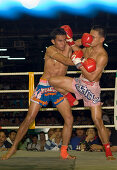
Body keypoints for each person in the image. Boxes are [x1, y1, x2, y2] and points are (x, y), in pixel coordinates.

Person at [1, 27, 77, 160]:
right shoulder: (50, 50)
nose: (63, 43)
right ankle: (13, 148)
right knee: (29, 118)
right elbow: (65, 61)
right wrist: (80, 60)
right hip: (44, 86)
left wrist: (78, 41)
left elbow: (83, 42)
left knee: (69, 119)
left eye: (65, 40)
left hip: (58, 88)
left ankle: (64, 152)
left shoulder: (69, 47)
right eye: (60, 41)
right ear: (53, 41)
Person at [48, 25, 116, 160]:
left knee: (97, 121)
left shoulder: (102, 56)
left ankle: (108, 151)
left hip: (91, 88)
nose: (90, 38)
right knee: (52, 81)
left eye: (93, 37)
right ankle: (71, 98)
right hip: (79, 83)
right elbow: (78, 51)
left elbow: (91, 77)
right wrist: (70, 40)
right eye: (89, 35)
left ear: (101, 39)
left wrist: (79, 64)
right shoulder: (89, 48)